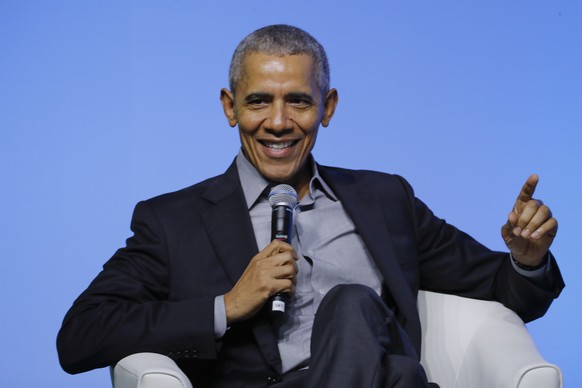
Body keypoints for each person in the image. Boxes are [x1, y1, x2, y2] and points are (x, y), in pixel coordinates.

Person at [57, 24, 564, 388]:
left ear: (328, 107)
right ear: (230, 108)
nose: (278, 122)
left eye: (298, 100)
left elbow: (504, 291)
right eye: (258, 101)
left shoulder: (385, 199)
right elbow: (79, 337)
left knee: (354, 306)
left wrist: (528, 258)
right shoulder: (174, 221)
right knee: (401, 370)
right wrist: (227, 307)